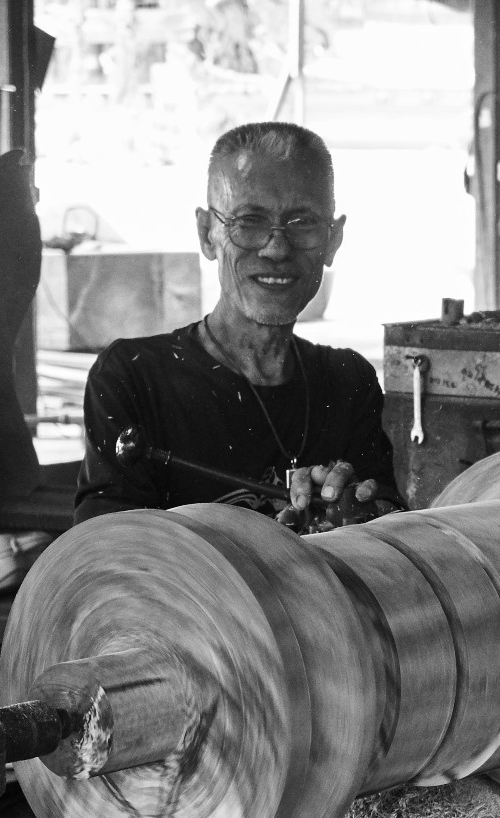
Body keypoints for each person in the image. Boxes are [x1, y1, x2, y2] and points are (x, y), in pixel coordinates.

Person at [73, 122, 395, 525]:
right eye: (249, 222)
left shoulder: (349, 382)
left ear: (333, 239)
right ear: (207, 234)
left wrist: (360, 512)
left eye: (302, 223)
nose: (277, 248)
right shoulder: (134, 377)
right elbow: (105, 561)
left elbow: (388, 541)